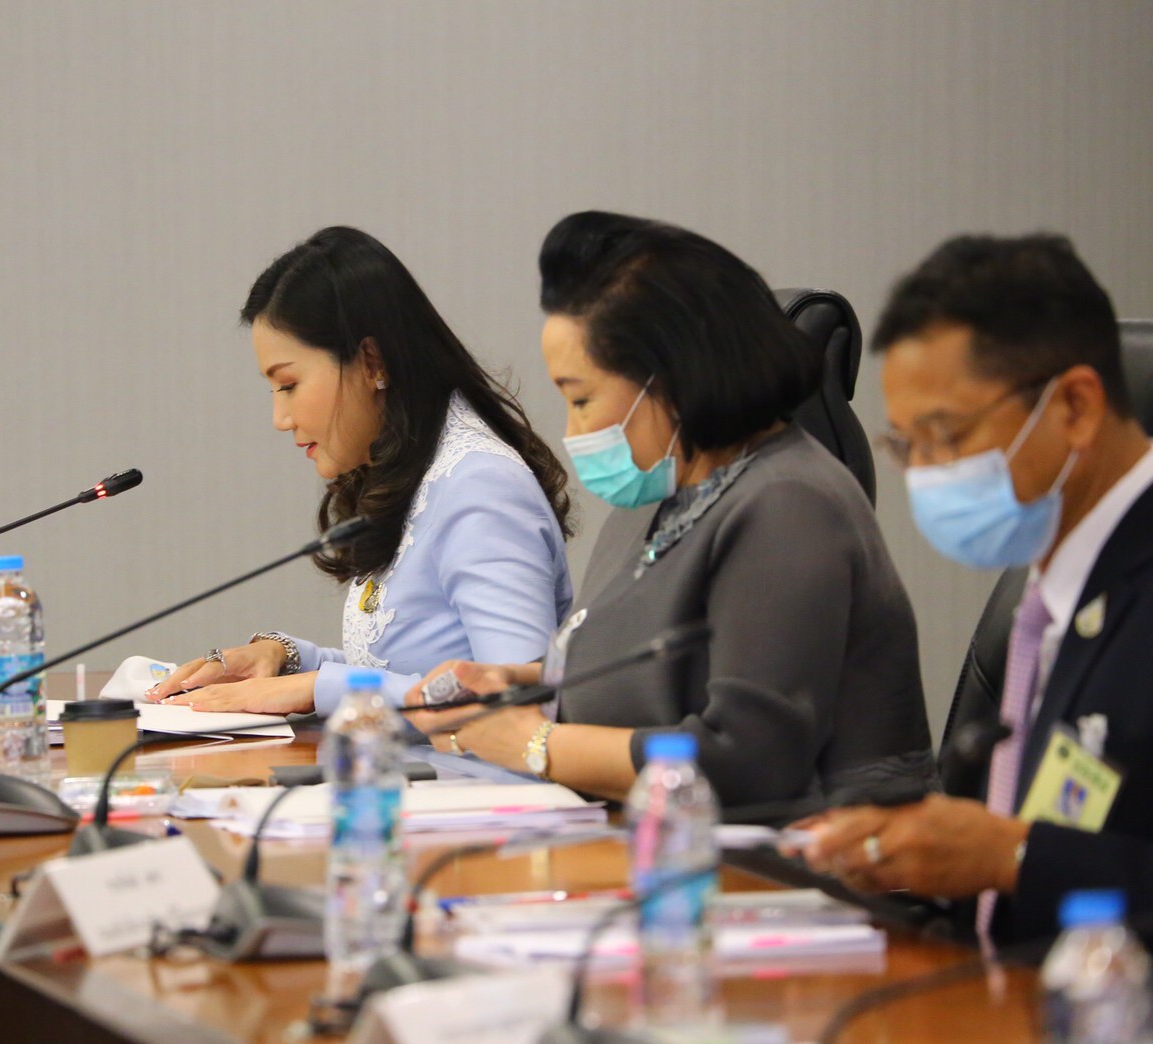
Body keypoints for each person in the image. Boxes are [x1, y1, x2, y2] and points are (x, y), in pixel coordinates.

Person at [405, 211, 935, 810]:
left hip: (801, 853)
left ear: (674, 378)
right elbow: (651, 680)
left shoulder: (789, 505)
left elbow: (745, 760)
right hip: (655, 836)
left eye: (582, 398)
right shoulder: (664, 496)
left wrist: (534, 745)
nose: (573, 430)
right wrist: (512, 686)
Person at [800, 234, 1153, 947]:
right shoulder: (1061, 584)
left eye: (946, 436)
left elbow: (1035, 851)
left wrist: (1010, 856)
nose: (928, 475)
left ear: (1075, 407)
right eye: (909, 446)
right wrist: (925, 856)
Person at [146, 226, 575, 716]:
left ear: (372, 361)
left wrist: (319, 688)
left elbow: (516, 700)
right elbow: (415, 671)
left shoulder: (481, 486)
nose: (280, 419)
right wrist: (289, 660)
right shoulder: (419, 468)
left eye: (288, 385)